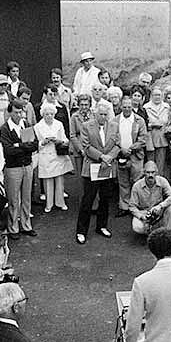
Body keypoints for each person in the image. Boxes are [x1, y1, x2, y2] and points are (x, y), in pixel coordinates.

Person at [76, 103, 121, 245]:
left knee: (105, 199)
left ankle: (101, 226)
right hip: (92, 168)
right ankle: (81, 231)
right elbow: (86, 146)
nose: (103, 117)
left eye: (105, 114)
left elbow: (118, 145)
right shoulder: (86, 126)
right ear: (95, 114)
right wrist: (102, 157)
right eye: (100, 114)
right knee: (87, 200)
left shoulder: (114, 126)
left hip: (107, 167)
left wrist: (109, 157)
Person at [0, 99, 38, 239]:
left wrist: (18, 145)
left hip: (27, 166)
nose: (19, 115)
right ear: (9, 112)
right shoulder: (4, 129)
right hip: (12, 168)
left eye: (21, 112)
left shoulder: (26, 124)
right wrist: (23, 146)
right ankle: (13, 228)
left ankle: (26, 225)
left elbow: (34, 145)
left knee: (26, 198)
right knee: (13, 199)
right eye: (16, 112)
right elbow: (8, 150)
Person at [34, 103, 72, 212]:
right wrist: (43, 142)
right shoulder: (37, 126)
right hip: (45, 155)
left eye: (51, 114)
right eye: (47, 114)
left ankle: (60, 202)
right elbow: (35, 143)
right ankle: (49, 204)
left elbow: (65, 139)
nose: (49, 116)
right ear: (42, 115)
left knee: (59, 180)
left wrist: (59, 141)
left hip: (57, 154)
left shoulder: (59, 124)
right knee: (48, 180)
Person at [115, 96, 148, 217]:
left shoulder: (140, 120)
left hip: (136, 155)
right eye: (124, 107)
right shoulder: (115, 120)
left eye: (129, 107)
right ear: (121, 107)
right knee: (123, 181)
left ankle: (137, 206)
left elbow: (143, 138)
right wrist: (122, 149)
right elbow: (113, 138)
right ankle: (124, 206)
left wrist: (131, 148)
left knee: (137, 181)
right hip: (121, 155)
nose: (127, 109)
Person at [129, 161, 171, 235]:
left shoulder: (162, 181)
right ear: (143, 172)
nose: (150, 175)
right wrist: (142, 216)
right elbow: (132, 207)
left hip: (158, 211)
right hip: (144, 212)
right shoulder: (137, 186)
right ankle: (153, 230)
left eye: (153, 172)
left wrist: (160, 206)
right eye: (148, 172)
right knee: (137, 227)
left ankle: (168, 234)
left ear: (157, 172)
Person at [145, 88, 171, 176]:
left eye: (159, 95)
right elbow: (143, 124)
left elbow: (169, 122)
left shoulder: (166, 107)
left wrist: (168, 128)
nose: (157, 97)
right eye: (155, 95)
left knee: (161, 164)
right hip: (150, 138)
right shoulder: (146, 107)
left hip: (162, 138)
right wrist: (152, 125)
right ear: (151, 96)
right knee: (150, 163)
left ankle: (160, 182)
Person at [69, 94, 93, 176]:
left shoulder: (94, 116)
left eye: (86, 105)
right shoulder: (74, 117)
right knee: (80, 175)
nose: (84, 107)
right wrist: (81, 149)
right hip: (79, 150)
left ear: (90, 105)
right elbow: (72, 135)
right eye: (81, 105)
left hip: (92, 148)